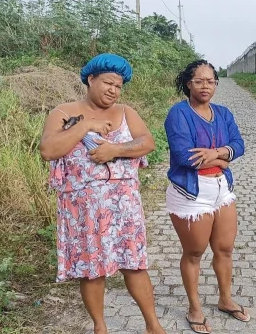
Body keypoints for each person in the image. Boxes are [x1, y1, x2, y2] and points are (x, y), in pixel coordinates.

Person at [39, 53, 166, 334]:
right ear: (91, 79)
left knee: (134, 264)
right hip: (83, 210)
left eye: (118, 86)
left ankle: (153, 326)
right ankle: (100, 327)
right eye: (108, 82)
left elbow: (147, 142)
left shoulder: (125, 112)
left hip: (124, 208)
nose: (113, 90)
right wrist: (83, 126)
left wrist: (116, 149)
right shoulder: (62, 113)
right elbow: (49, 150)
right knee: (92, 269)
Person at [164, 59, 248, 334]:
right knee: (194, 252)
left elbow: (239, 144)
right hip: (191, 192)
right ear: (188, 83)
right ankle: (195, 307)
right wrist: (223, 158)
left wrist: (216, 155)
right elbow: (183, 155)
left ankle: (225, 299)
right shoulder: (179, 114)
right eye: (199, 81)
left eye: (210, 81)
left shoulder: (223, 113)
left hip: (222, 189)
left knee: (224, 248)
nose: (205, 86)